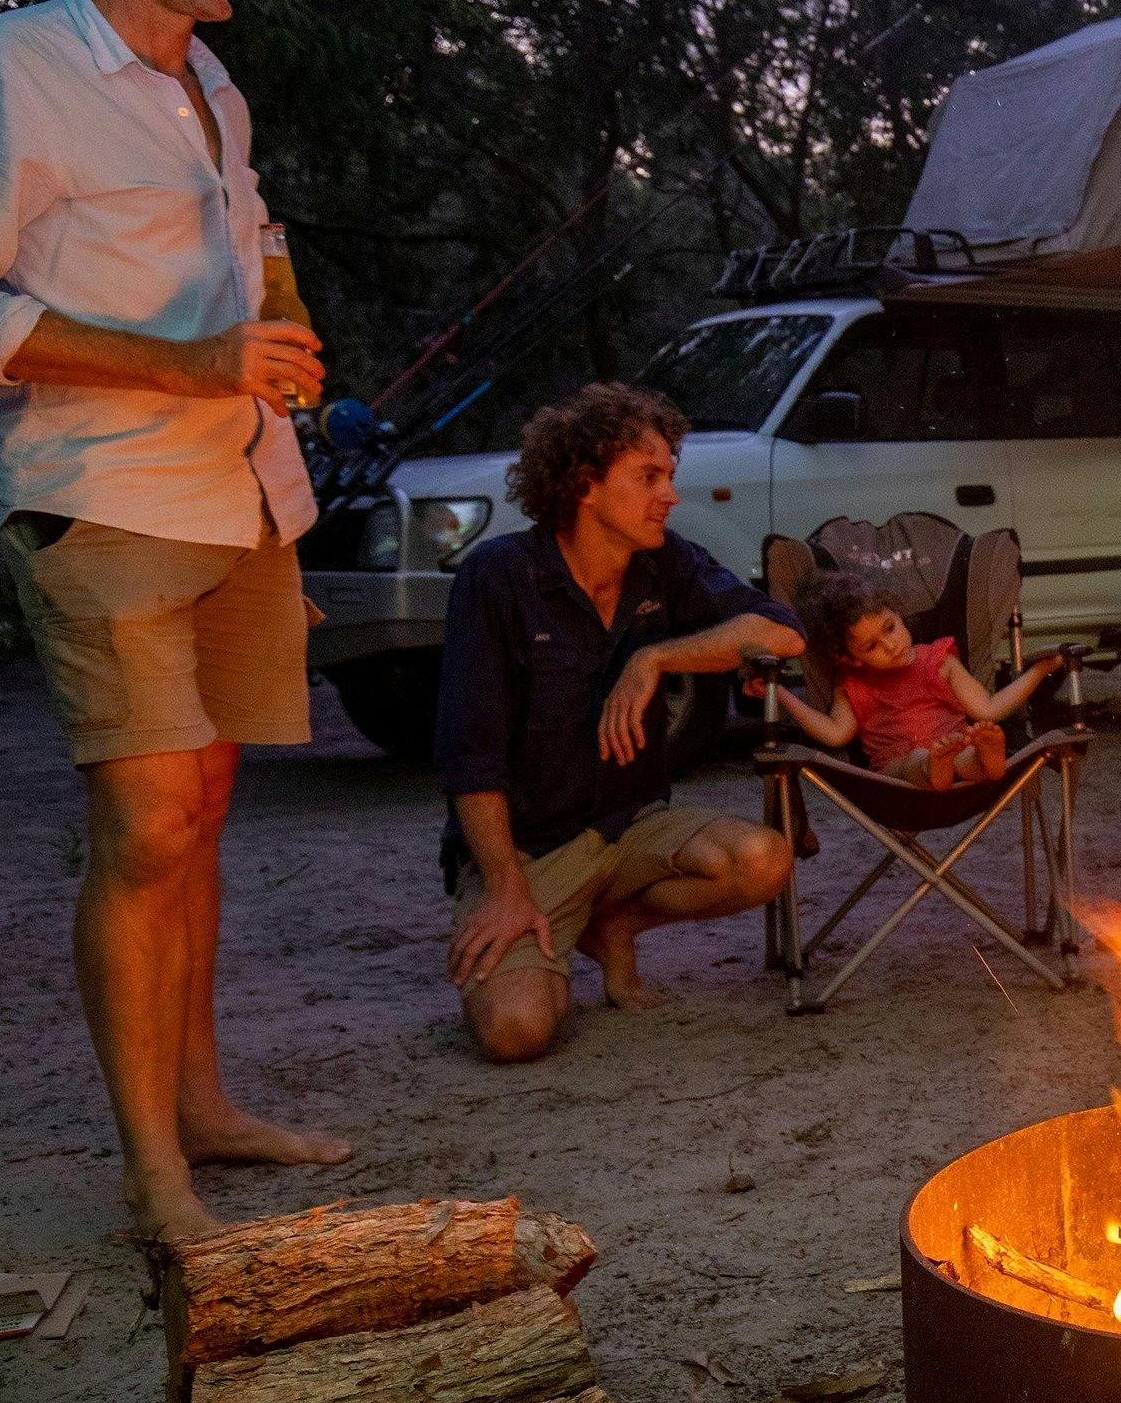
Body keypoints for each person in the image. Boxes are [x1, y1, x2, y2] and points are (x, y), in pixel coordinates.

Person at [0, 0, 341, 1243]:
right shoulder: (6, 69)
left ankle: (203, 1106)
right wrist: (184, 362)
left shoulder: (210, 86)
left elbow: (251, 244)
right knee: (148, 821)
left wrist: (282, 323)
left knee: (206, 811)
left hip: (237, 487)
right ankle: (152, 1176)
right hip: (96, 486)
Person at [438, 385, 803, 1062]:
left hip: (628, 825)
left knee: (762, 859)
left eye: (670, 475)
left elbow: (781, 634)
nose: (669, 495)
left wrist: (655, 656)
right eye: (649, 476)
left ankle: (612, 927)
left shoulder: (665, 564)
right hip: (531, 849)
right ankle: (542, 925)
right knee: (516, 1033)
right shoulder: (501, 577)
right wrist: (506, 891)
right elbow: (469, 756)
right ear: (584, 483)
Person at [772, 569, 1074, 788]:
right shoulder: (852, 684)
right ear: (850, 657)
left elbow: (988, 709)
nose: (890, 646)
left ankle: (986, 760)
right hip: (896, 774)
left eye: (890, 628)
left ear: (899, 614)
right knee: (914, 761)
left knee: (966, 754)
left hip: (954, 750)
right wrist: (781, 694)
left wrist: (1038, 670)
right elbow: (835, 734)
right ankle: (935, 765)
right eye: (871, 646)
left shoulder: (940, 660)